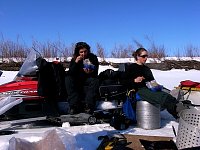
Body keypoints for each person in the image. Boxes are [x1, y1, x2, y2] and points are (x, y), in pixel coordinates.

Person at [124, 47, 186, 119]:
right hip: (138, 90)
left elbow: (152, 81)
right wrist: (134, 80)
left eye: (147, 56)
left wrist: (157, 86)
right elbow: (124, 82)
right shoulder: (131, 68)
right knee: (163, 97)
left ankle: (181, 111)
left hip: (149, 88)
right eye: (143, 56)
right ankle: (180, 115)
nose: (146, 58)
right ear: (137, 56)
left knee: (168, 95)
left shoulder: (146, 69)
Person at [65, 42, 99, 114]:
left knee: (95, 81)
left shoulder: (92, 57)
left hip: (88, 78)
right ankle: (74, 106)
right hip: (77, 80)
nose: (83, 54)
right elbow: (70, 73)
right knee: (68, 79)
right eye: (81, 52)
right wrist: (76, 63)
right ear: (78, 52)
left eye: (85, 51)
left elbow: (96, 71)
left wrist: (90, 71)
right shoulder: (74, 59)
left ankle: (88, 106)